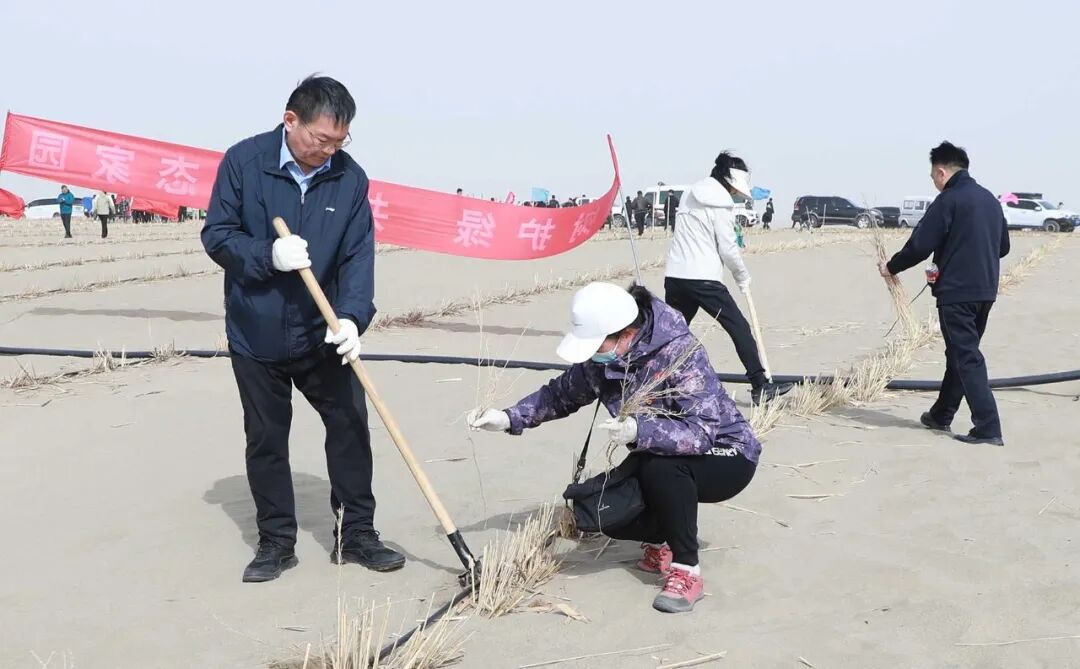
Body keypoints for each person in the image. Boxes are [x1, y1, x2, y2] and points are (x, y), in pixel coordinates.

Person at [201, 74, 404, 583]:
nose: (330, 151)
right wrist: (265, 254)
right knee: (267, 438)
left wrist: (355, 317)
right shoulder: (244, 163)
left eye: (340, 141)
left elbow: (358, 256)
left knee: (352, 428)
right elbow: (218, 235)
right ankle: (275, 542)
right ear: (290, 121)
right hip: (258, 332)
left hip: (324, 331)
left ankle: (357, 533)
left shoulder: (350, 179)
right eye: (321, 139)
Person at [467, 282, 761, 613]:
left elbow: (702, 432)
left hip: (727, 454)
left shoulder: (680, 352)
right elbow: (560, 395)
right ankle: (661, 542)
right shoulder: (602, 360)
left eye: (597, 344)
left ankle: (686, 570)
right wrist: (509, 418)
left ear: (625, 333)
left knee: (660, 469)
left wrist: (640, 429)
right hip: (659, 452)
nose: (593, 353)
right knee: (607, 509)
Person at [879, 141, 1009, 446]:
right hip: (985, 291)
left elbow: (921, 244)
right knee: (960, 354)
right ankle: (941, 414)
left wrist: (892, 266)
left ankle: (988, 426)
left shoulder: (949, 200)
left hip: (957, 293)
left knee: (966, 357)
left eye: (933, 176)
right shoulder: (990, 200)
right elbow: (1003, 247)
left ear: (941, 171)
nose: (935, 182)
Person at [664, 152, 793, 405]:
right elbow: (728, 249)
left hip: (676, 275)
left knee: (671, 335)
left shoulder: (690, 193)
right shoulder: (721, 203)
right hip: (704, 279)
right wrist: (742, 276)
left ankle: (653, 383)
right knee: (738, 327)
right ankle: (760, 384)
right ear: (731, 181)